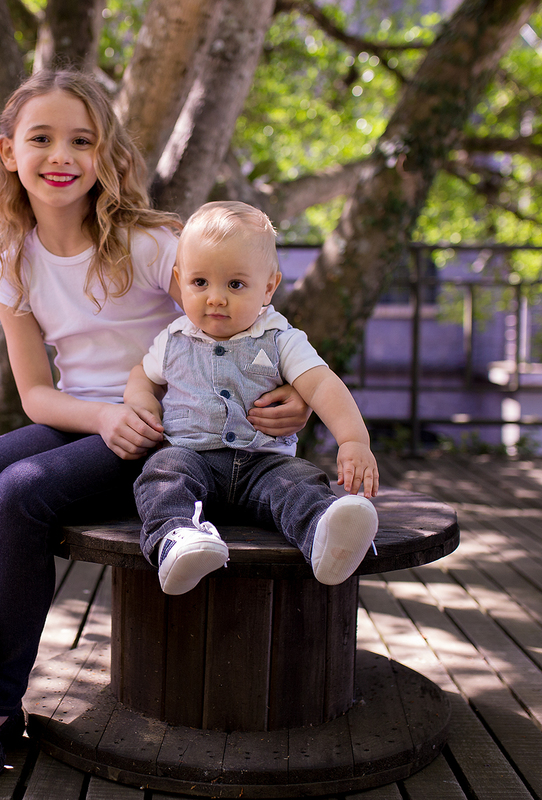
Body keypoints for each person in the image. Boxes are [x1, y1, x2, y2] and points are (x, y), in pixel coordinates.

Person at [0, 73, 311, 800]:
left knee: (22, 490)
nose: (61, 154)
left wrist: (292, 391)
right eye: (41, 138)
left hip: (173, 431)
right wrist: (102, 415)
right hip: (87, 420)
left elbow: (244, 311)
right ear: (10, 152)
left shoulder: (153, 245)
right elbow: (38, 394)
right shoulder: (13, 263)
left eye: (83, 139)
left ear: (107, 157)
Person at [124, 201, 381, 597]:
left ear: (269, 287)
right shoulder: (173, 340)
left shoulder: (281, 338)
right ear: (180, 279)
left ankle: (325, 538)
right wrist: (141, 402)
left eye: (235, 285)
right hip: (193, 457)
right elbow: (142, 375)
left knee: (301, 483)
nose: (215, 298)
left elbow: (322, 385)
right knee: (162, 473)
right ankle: (177, 540)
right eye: (200, 283)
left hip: (265, 465)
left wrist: (353, 440)